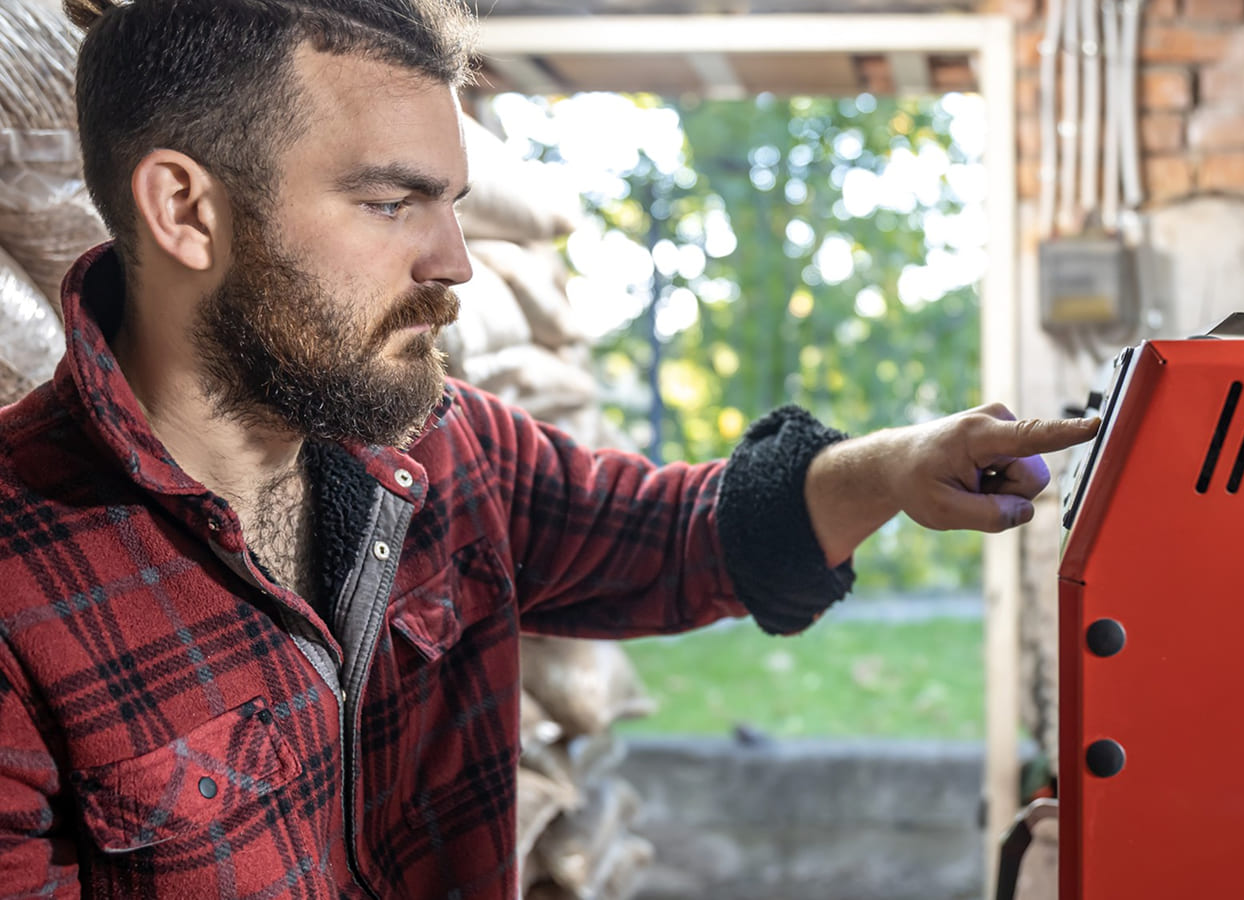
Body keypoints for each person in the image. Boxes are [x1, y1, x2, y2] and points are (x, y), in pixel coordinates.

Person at [0, 0, 1099, 897]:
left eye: (455, 207)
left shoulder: (448, 450)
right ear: (186, 211)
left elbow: (678, 538)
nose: (456, 263)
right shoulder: (18, 583)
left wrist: (899, 467)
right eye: (392, 202)